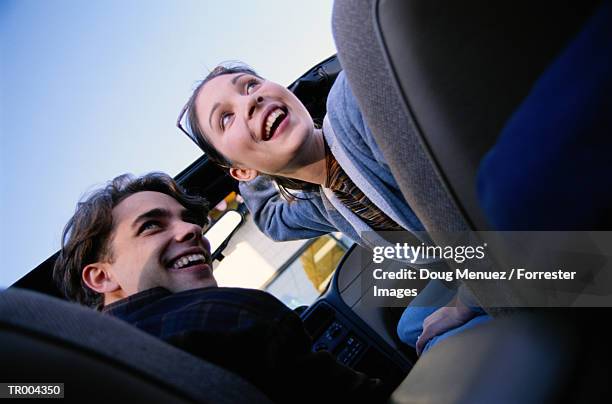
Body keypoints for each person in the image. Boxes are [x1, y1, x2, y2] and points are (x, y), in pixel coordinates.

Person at [177, 64, 489, 355]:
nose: (251, 100)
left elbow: (487, 220)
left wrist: (464, 303)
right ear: (240, 172)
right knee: (410, 330)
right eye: (226, 118)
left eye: (250, 85)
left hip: (514, 257)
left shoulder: (352, 105)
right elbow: (273, 222)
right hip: (479, 273)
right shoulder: (326, 203)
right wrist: (250, 167)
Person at [52, 172, 384, 403]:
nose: (191, 230)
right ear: (101, 278)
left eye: (189, 219)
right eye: (151, 226)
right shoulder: (232, 318)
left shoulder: (75, 375)